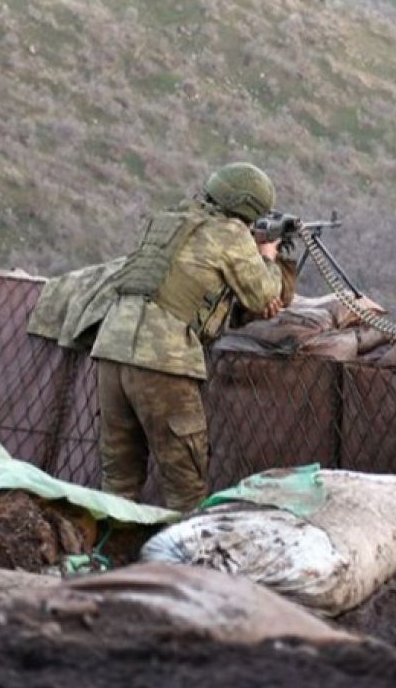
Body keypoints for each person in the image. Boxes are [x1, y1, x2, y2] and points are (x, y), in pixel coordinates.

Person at [89, 162, 294, 511]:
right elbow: (264, 295)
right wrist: (268, 256)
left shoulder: (167, 219)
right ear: (249, 207)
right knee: (186, 486)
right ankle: (182, 564)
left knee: (118, 483)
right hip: (164, 361)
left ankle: (107, 560)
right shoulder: (229, 233)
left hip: (111, 351)